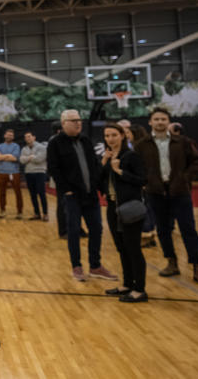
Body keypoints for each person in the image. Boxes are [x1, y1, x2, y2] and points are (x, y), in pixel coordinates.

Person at [135, 108, 198, 286]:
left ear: (168, 122)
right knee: (163, 230)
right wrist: (145, 182)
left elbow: (196, 161)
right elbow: (137, 166)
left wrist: (184, 179)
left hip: (180, 191)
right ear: (150, 122)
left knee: (188, 229)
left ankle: (197, 266)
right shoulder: (142, 144)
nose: (160, 122)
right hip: (156, 192)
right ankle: (171, 262)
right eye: (156, 119)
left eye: (163, 119)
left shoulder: (183, 142)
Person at [46, 109, 118, 283]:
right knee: (73, 231)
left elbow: (93, 165)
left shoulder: (85, 140)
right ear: (64, 124)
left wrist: (101, 189)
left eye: (79, 119)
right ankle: (76, 266)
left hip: (90, 194)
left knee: (97, 229)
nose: (78, 123)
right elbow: (54, 168)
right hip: (72, 196)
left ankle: (95, 266)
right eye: (73, 120)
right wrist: (66, 190)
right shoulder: (55, 143)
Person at [99, 123, 148, 303]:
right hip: (113, 207)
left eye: (113, 135)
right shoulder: (109, 156)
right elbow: (99, 183)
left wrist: (119, 171)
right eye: (107, 136)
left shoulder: (131, 156)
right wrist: (104, 163)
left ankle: (140, 289)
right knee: (121, 248)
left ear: (122, 136)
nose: (110, 139)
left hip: (130, 207)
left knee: (133, 248)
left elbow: (142, 180)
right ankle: (127, 284)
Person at [121, 122, 157, 248]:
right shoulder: (144, 146)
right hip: (147, 183)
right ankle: (151, 235)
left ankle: (146, 236)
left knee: (145, 210)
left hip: (142, 183)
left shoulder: (138, 148)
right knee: (149, 210)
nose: (126, 136)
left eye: (128, 133)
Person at [0, 129, 24, 219]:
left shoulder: (16, 146)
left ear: (13, 137)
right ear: (4, 136)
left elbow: (15, 158)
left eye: (11, 135)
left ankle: (19, 212)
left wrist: (2, 156)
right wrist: (8, 156)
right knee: (2, 192)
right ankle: (2, 211)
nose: (9, 136)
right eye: (8, 135)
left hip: (14, 173)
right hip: (2, 173)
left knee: (18, 192)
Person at [20, 131, 48, 221]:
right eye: (26, 137)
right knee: (32, 195)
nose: (27, 138)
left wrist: (29, 158)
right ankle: (36, 213)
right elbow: (22, 160)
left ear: (34, 137)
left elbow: (39, 159)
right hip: (29, 173)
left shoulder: (42, 147)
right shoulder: (24, 149)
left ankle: (45, 213)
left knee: (41, 193)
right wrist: (31, 157)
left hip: (39, 172)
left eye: (29, 136)